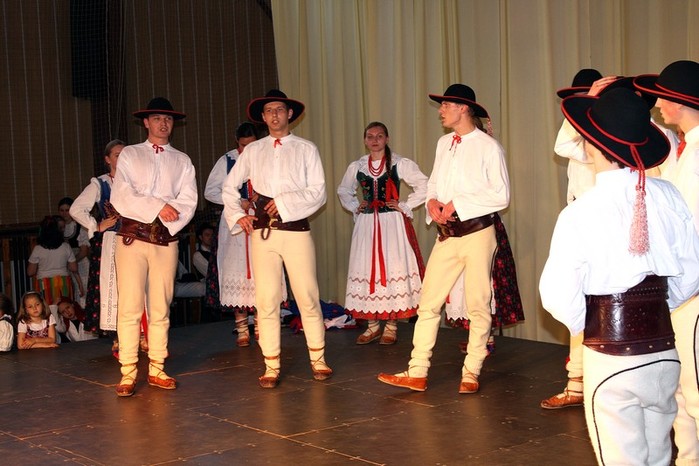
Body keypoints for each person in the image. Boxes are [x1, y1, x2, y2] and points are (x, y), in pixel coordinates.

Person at [539, 87, 699, 466]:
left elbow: (557, 296)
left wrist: (598, 324)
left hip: (612, 357)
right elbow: (691, 272)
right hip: (664, 353)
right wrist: (655, 309)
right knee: (658, 456)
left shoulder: (581, 212)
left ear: (593, 145)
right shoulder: (668, 194)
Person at [378, 84, 510, 394]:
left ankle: (471, 371)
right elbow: (435, 183)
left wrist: (458, 204)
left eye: (446, 105)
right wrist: (433, 202)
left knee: (478, 304)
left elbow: (501, 195)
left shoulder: (488, 147)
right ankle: (417, 370)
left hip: (477, 233)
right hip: (448, 235)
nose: (441, 111)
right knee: (428, 302)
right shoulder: (444, 143)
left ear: (463, 108)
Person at [222, 89, 331, 388]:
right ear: (263, 116)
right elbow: (229, 187)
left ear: (289, 114)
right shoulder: (254, 150)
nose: (274, 115)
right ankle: (271, 363)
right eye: (269, 110)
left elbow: (318, 192)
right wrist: (238, 215)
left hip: (296, 231)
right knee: (266, 298)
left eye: (279, 109)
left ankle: (318, 358)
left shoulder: (306, 148)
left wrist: (283, 202)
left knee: (307, 294)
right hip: (263, 233)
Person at [110, 97, 197, 397]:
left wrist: (169, 218)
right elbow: (121, 194)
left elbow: (189, 200)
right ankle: (128, 370)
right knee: (130, 305)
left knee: (160, 305)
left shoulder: (182, 161)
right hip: (133, 238)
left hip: (165, 239)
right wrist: (159, 206)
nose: (163, 123)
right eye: (157, 118)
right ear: (146, 122)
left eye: (168, 119)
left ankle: (157, 366)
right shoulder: (131, 154)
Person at [635, 60, 699, 465]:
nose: (657, 104)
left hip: (692, 286)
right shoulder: (684, 149)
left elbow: (689, 226)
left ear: (680, 101)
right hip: (681, 285)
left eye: (662, 97)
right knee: (681, 385)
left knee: (694, 387)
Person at [337, 121, 427, 345]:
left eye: (379, 136)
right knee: (368, 270)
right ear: (365, 140)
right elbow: (344, 190)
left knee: (392, 266)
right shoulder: (358, 166)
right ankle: (373, 326)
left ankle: (392, 326)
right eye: (370, 136)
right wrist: (355, 206)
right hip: (367, 224)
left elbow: (424, 184)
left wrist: (405, 205)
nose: (375, 140)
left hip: (391, 224)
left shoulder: (398, 163)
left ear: (387, 139)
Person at [205, 122, 284, 346]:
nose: (246, 150)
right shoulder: (227, 160)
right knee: (237, 272)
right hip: (235, 223)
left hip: (262, 220)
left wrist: (263, 196)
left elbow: (281, 187)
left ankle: (260, 324)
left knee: (263, 270)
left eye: (251, 145)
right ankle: (241, 328)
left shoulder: (268, 157)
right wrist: (237, 201)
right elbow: (210, 191)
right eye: (242, 146)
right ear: (236, 143)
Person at [27, 215, 81, 307]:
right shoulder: (66, 247)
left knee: (47, 311)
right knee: (64, 310)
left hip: (44, 284)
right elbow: (74, 268)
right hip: (63, 283)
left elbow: (30, 272)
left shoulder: (38, 249)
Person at [58, 197, 89, 304]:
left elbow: (84, 251)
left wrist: (72, 262)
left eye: (67, 210)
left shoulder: (80, 226)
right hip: (63, 265)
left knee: (82, 291)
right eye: (62, 210)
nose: (64, 213)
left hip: (80, 263)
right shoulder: (57, 227)